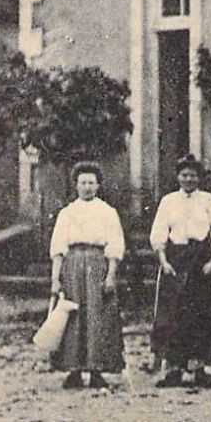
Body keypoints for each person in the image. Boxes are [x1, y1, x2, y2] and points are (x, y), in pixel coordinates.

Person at [149, 156, 211, 388]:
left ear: (199, 177)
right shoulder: (168, 201)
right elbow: (159, 233)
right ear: (178, 177)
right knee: (173, 315)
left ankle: (199, 368)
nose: (189, 179)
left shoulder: (210, 201)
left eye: (193, 175)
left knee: (201, 314)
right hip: (175, 259)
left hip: (201, 261)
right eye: (184, 175)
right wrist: (164, 261)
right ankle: (173, 368)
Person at [48, 162, 125, 390]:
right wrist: (55, 278)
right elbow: (58, 247)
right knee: (72, 315)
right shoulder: (67, 213)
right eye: (83, 182)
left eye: (91, 182)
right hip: (72, 265)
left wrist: (110, 275)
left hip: (97, 264)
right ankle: (73, 369)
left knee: (97, 315)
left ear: (98, 185)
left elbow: (115, 245)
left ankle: (96, 369)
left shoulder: (108, 212)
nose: (87, 187)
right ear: (76, 185)